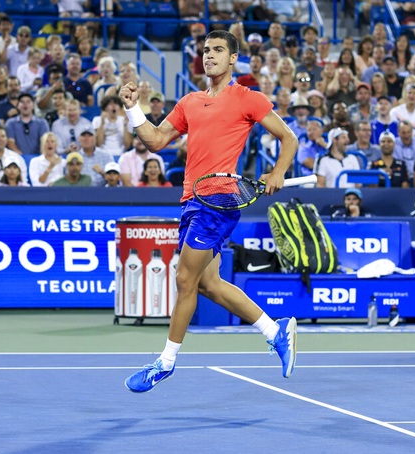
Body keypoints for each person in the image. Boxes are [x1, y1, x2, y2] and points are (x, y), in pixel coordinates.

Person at [119, 30, 299, 393]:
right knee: (207, 284)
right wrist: (132, 107)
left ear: (233, 58)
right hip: (191, 201)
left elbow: (289, 138)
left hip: (218, 202)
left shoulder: (248, 98)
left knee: (184, 280)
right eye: (205, 50)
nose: (210, 55)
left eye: (218, 50)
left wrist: (278, 171)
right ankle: (275, 331)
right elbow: (154, 140)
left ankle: (165, 362)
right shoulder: (189, 102)